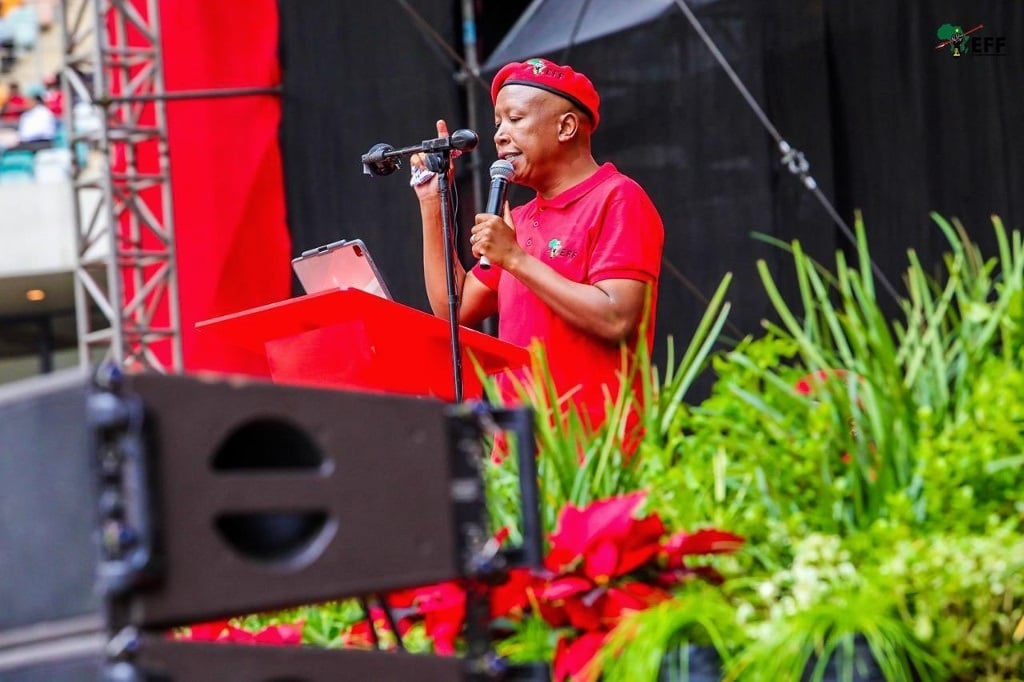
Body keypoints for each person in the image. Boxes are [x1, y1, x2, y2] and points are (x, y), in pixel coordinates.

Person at [410, 58, 665, 431]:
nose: (499, 134)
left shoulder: (618, 198)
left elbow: (617, 318)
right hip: (520, 448)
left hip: (591, 451)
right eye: (498, 123)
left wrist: (515, 258)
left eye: (515, 119)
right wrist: (434, 201)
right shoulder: (522, 217)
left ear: (565, 127)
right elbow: (456, 308)